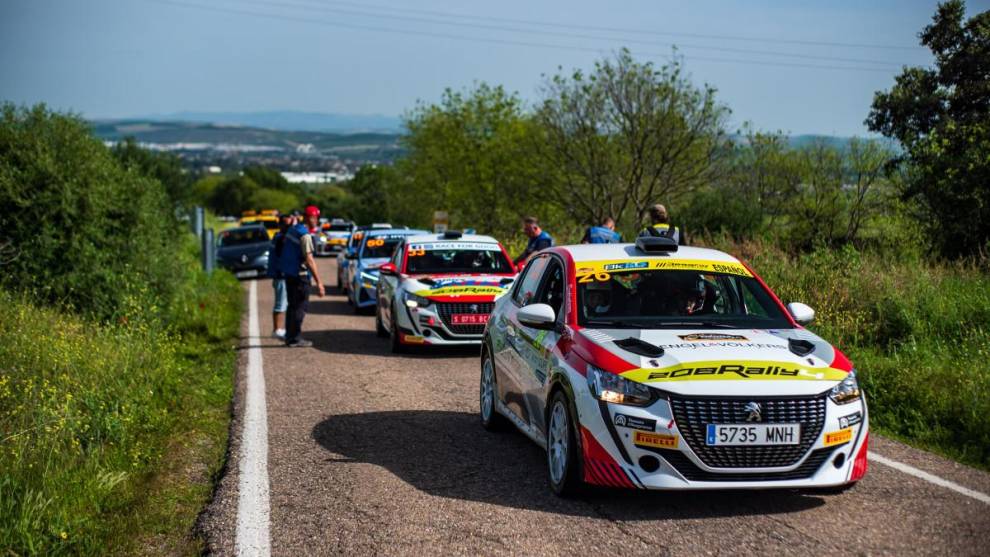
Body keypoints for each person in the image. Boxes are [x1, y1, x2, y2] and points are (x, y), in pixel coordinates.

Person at [275, 205, 326, 347]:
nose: (316, 221)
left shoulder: (293, 229)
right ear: (311, 218)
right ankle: (295, 338)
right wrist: (319, 282)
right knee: (300, 307)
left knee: (292, 306)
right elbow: (309, 260)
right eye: (316, 218)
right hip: (299, 276)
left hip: (289, 274)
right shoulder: (305, 235)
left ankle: (289, 337)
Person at [266, 213, 294, 339]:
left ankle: (280, 329)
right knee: (280, 303)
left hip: (280, 275)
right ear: (280, 225)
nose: (289, 227)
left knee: (285, 303)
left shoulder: (278, 237)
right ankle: (277, 330)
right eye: (286, 225)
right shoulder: (281, 238)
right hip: (281, 275)